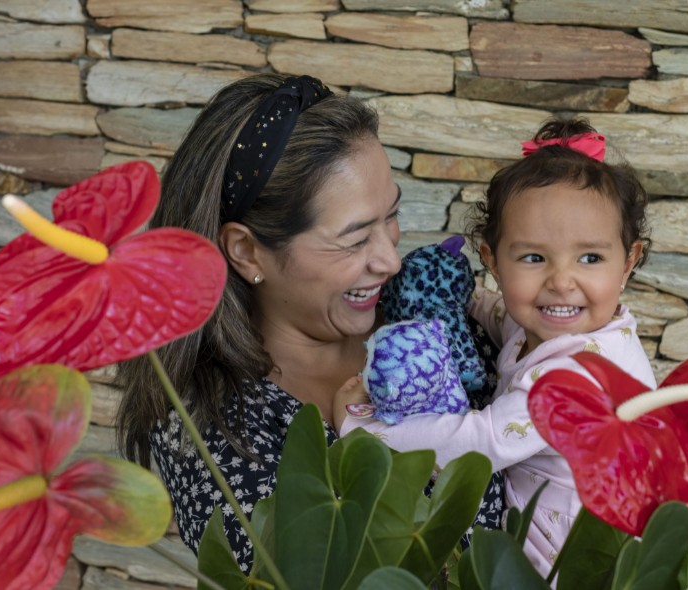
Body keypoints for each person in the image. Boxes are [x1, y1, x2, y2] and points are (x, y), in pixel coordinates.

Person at [114, 73, 504, 571]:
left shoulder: (435, 319)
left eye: (391, 215)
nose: (391, 260)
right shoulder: (212, 430)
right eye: (354, 239)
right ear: (247, 251)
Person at [335, 117, 656, 580]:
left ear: (628, 262)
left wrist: (366, 430)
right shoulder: (556, 330)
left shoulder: (581, 377)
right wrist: (458, 298)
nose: (562, 281)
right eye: (533, 258)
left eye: (590, 258)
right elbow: (503, 317)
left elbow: (478, 445)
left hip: (584, 568)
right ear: (492, 261)